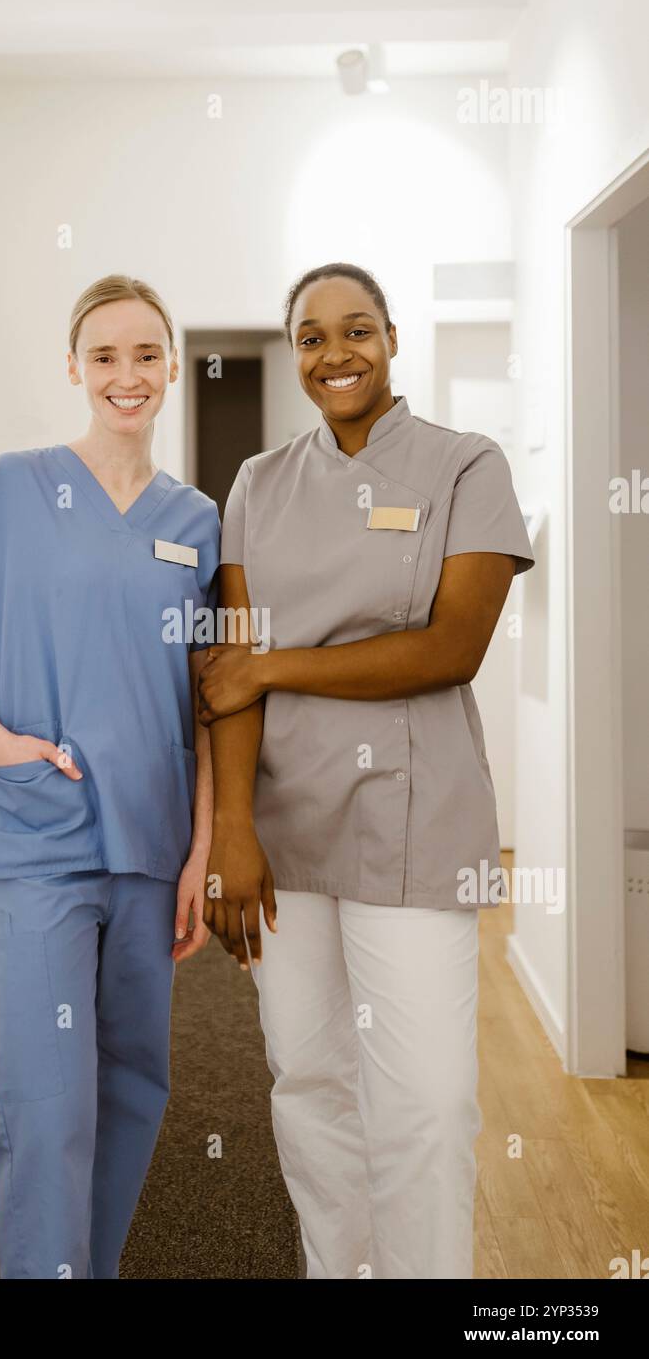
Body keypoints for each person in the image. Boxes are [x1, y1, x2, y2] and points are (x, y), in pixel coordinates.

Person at [198, 261, 535, 1280]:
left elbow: (449, 648)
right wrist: (230, 831)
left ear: (391, 338)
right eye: (309, 336)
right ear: (293, 350)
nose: (333, 353)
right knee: (307, 1081)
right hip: (283, 826)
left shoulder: (463, 465)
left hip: (410, 821)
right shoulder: (258, 483)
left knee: (426, 1100)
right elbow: (227, 678)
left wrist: (275, 662)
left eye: (355, 331)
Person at [0, 274, 220, 1279]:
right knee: (46, 1106)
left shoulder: (199, 520)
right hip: (37, 844)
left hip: (150, 843)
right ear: (76, 369)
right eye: (103, 356)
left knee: (132, 1086)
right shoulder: (14, 485)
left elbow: (210, 700)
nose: (125, 376)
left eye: (144, 355)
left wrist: (201, 854)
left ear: (171, 366)